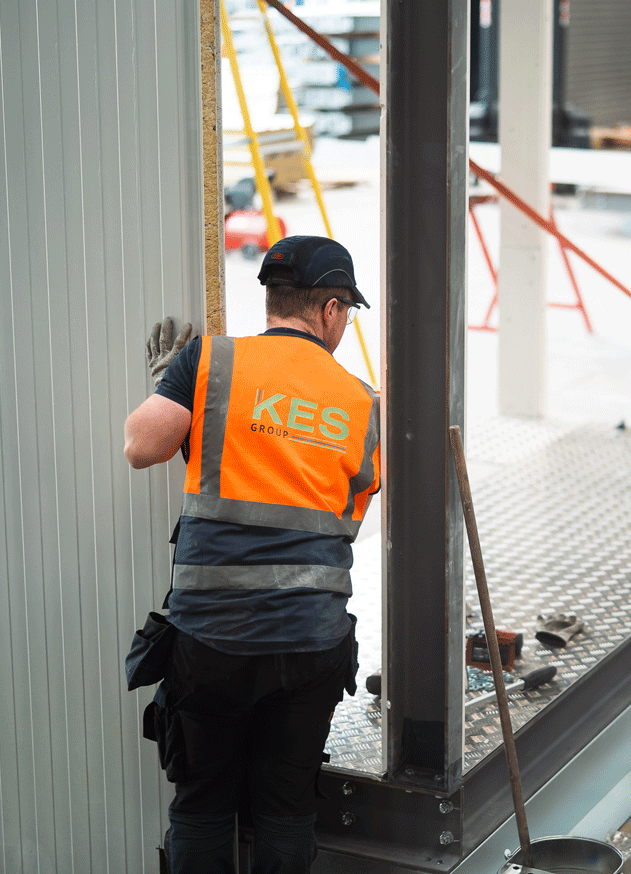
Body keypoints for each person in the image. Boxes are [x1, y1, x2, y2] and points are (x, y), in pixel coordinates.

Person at [123, 235, 380, 874]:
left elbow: (141, 447)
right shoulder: (362, 404)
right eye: (346, 312)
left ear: (271, 300)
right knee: (287, 805)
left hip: (210, 641)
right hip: (309, 644)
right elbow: (351, 509)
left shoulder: (209, 364)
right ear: (329, 309)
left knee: (203, 800)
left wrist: (174, 383)